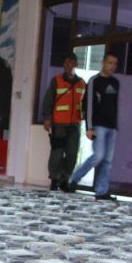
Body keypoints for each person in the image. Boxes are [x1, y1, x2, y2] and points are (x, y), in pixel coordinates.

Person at [65, 53, 120, 198]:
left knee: (107, 161)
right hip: (99, 126)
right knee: (98, 156)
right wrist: (89, 127)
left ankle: (102, 191)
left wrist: (116, 125)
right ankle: (74, 179)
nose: (112, 66)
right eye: (110, 62)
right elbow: (88, 105)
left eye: (114, 63)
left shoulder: (115, 83)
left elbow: (115, 106)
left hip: (112, 127)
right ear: (103, 63)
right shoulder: (94, 81)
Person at [40, 52, 85, 191]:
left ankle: (64, 179)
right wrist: (47, 118)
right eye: (65, 62)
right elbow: (48, 100)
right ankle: (54, 179)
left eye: (70, 62)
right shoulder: (57, 80)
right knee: (57, 154)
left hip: (74, 126)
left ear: (76, 64)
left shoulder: (82, 83)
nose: (67, 65)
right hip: (59, 124)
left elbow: (85, 104)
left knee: (72, 156)